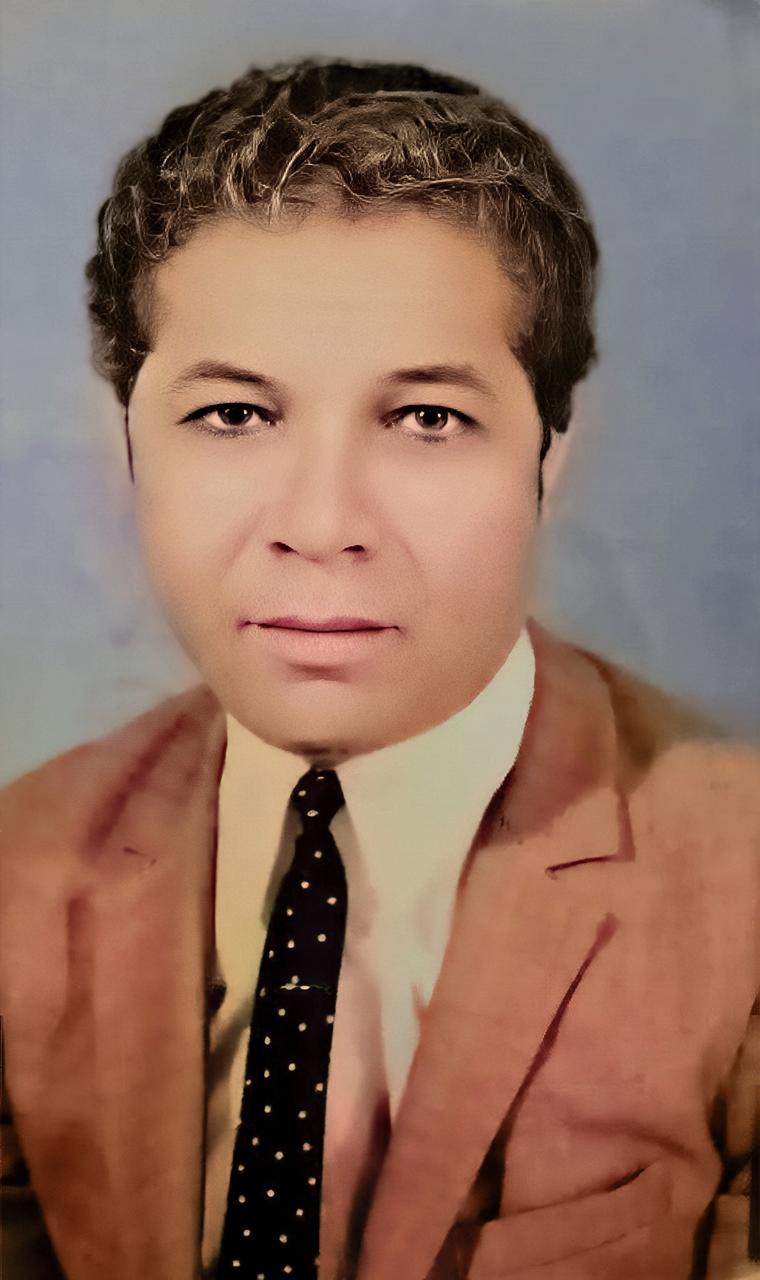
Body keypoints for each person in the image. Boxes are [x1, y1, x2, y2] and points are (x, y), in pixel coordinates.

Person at [0, 55, 757, 1280]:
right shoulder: (19, 866)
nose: (321, 523)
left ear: (547, 456)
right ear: (130, 442)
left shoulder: (742, 884)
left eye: (425, 418)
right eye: (234, 415)